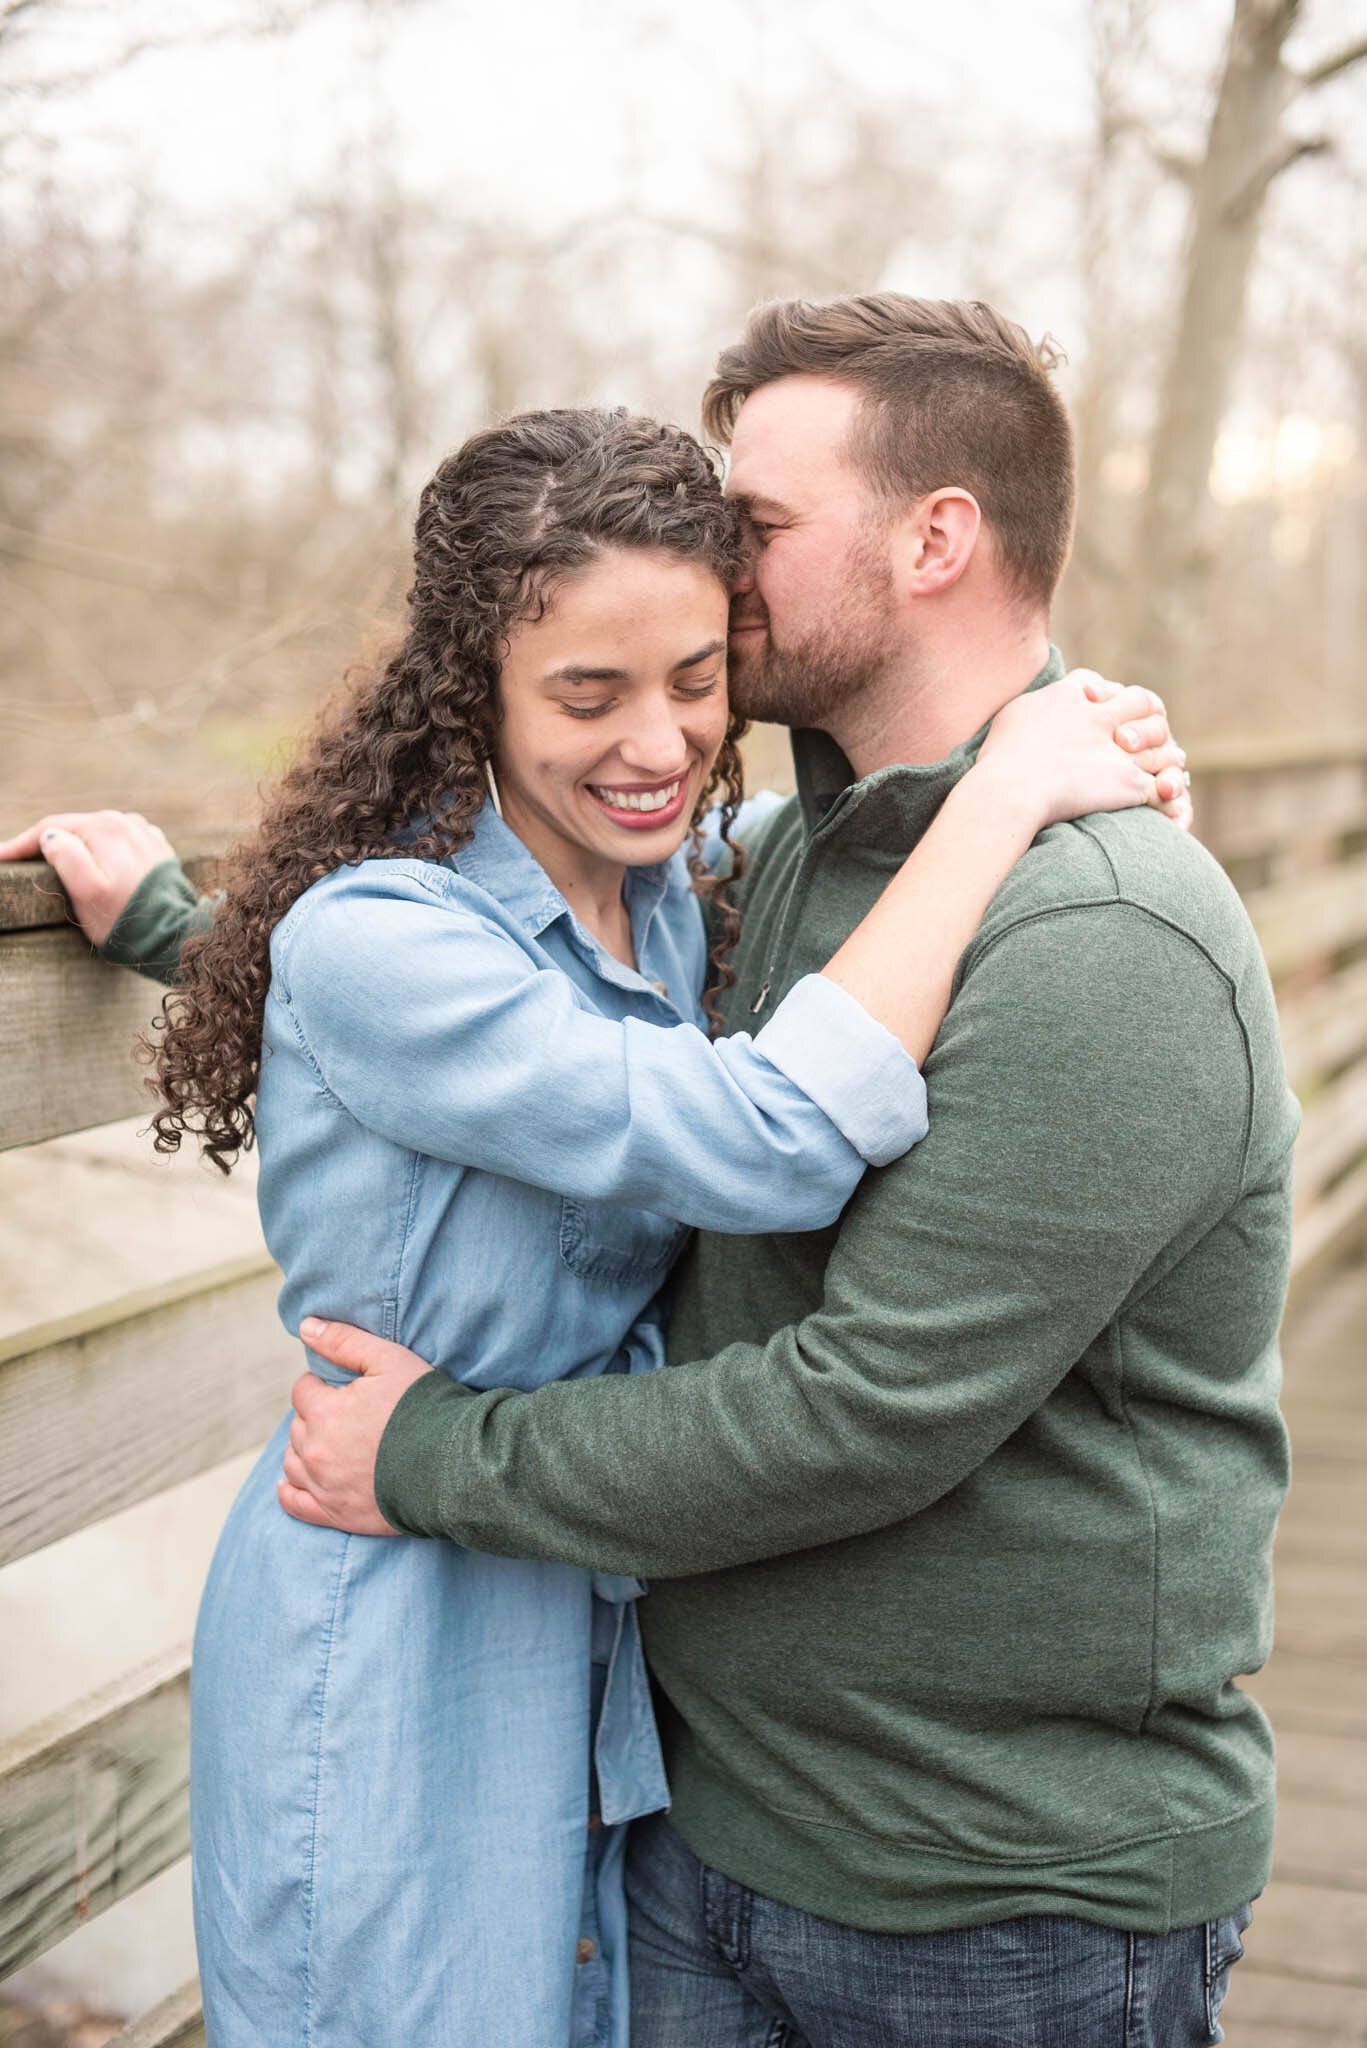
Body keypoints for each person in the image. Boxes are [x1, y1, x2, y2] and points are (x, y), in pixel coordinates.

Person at [0, 400, 1186, 2048]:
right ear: (468, 687)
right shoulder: (380, 935)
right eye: (586, 694)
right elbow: (763, 1137)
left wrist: (1078, 748)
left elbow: (589, 1012)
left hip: (586, 1602)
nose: (655, 742)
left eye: (697, 683)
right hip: (397, 1603)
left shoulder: (673, 890)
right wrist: (1005, 803)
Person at [259, 298, 1296, 2048]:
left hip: (991, 1892)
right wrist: (183, 934)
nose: (712, 572)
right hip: (704, 1828)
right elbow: (482, 982)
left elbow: (868, 1409)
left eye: (756, 529)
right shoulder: (783, 850)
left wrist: (440, 1451)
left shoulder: (1099, 929)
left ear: (936, 538)